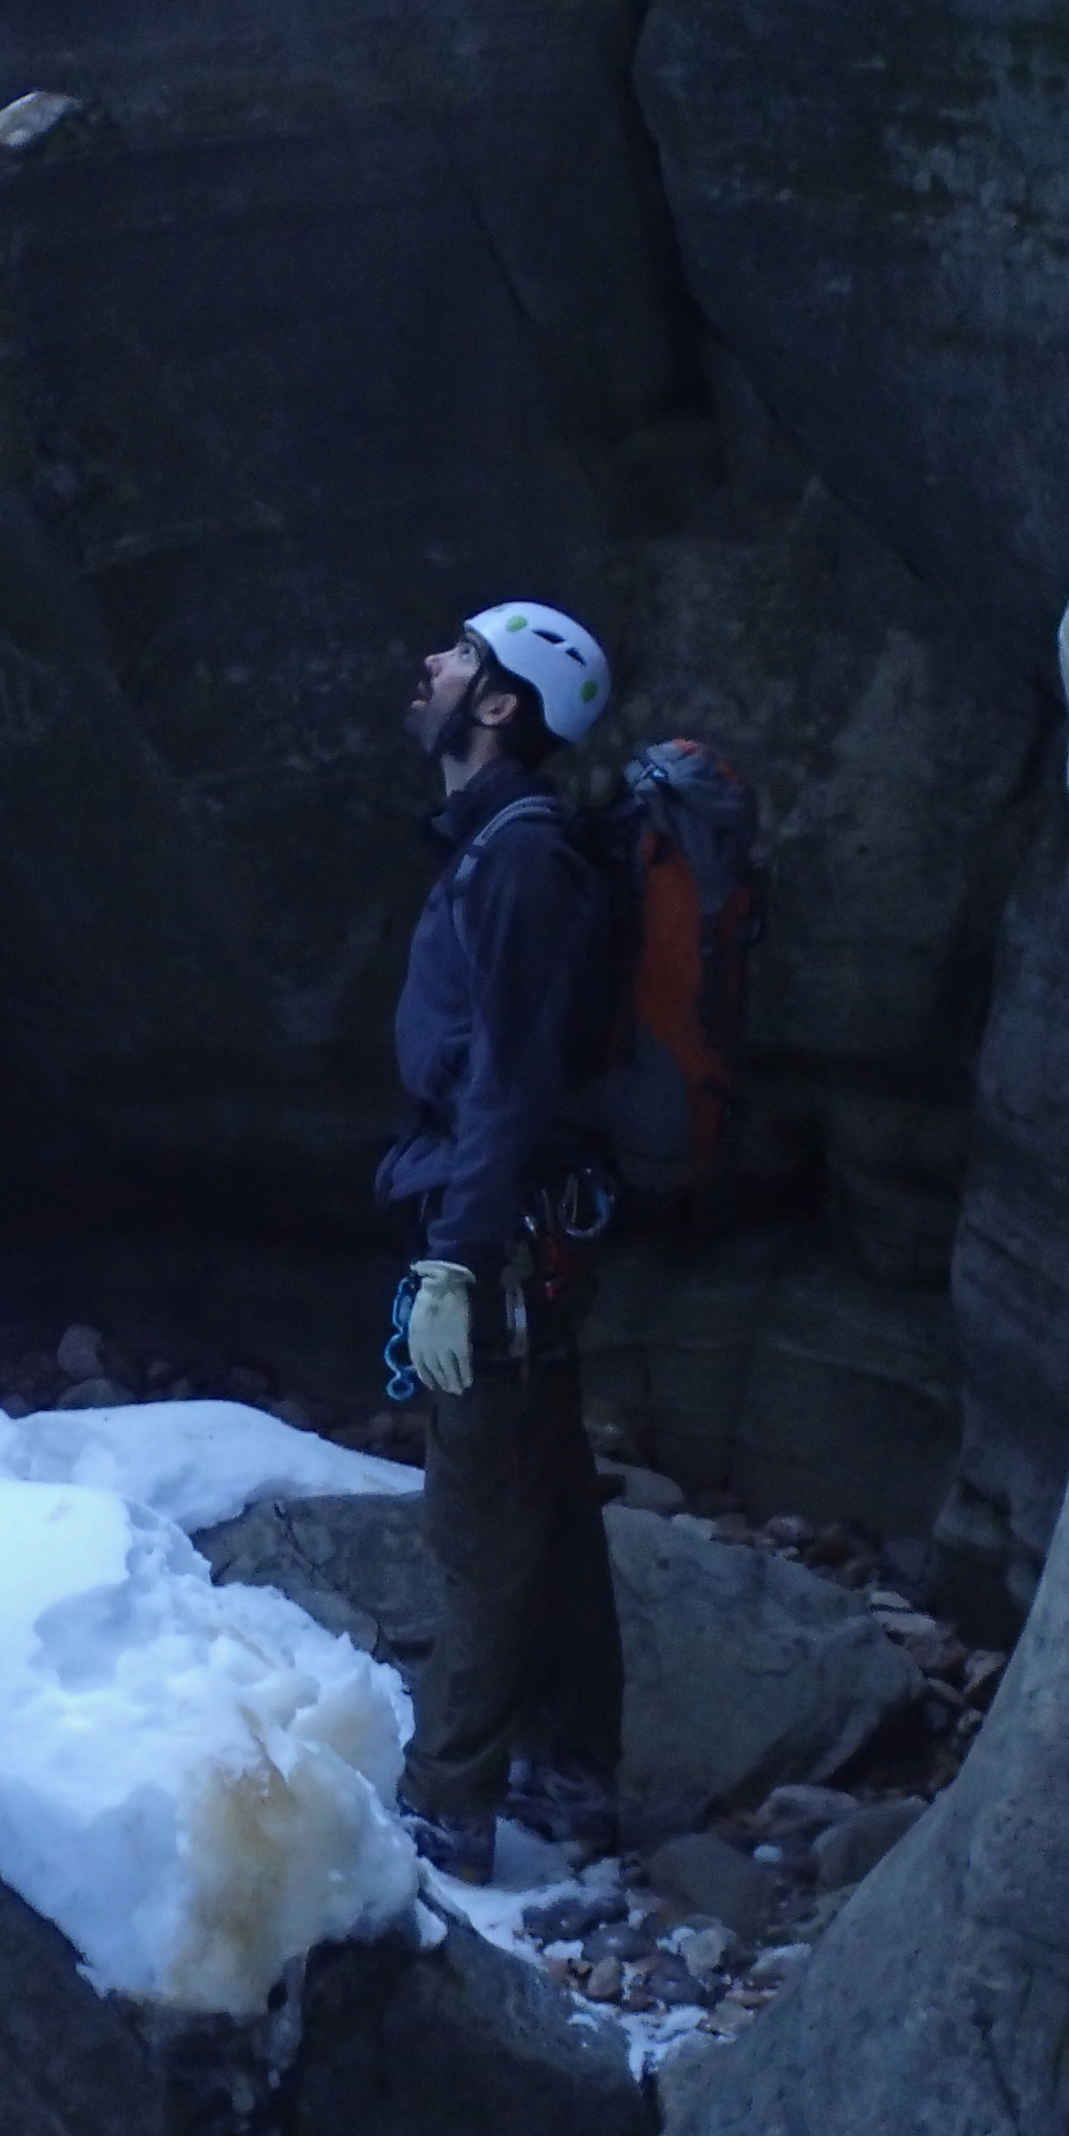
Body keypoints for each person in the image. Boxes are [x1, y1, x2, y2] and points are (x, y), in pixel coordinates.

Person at [376, 599, 625, 1883]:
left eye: (457, 653)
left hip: (505, 1232)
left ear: (498, 706)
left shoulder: (521, 859)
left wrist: (456, 1262)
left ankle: (449, 1804)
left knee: (480, 1513)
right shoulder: (499, 845)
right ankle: (575, 1773)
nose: (429, 661)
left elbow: (510, 1086)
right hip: (518, 1222)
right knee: (547, 1494)